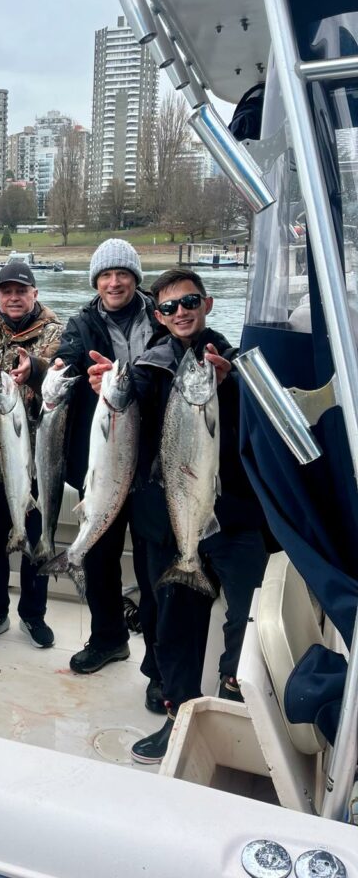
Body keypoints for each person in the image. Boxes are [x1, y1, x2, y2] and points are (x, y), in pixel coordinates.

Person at [91, 267, 268, 765]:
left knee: (247, 615)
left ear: (207, 304)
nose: (180, 312)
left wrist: (231, 387)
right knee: (173, 621)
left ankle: (235, 695)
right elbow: (126, 427)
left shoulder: (239, 365)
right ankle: (179, 712)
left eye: (189, 301)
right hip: (171, 522)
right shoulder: (149, 369)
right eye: (168, 307)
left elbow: (265, 435)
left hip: (233, 520)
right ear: (159, 316)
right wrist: (108, 389)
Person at [51, 238, 165, 714]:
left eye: (122, 274)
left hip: (154, 466)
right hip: (99, 464)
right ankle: (108, 639)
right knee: (98, 561)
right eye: (105, 276)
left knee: (152, 569)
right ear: (95, 281)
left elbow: (179, 361)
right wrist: (52, 369)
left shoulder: (161, 316)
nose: (114, 282)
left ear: (136, 279)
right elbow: (68, 361)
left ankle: (159, 668)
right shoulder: (82, 322)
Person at [0, 261, 63, 650]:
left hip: (37, 463)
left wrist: (35, 368)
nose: (14, 297)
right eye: (6, 291)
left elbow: (61, 370)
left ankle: (33, 616)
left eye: (21, 290)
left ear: (35, 294)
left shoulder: (57, 333)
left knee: (36, 542)